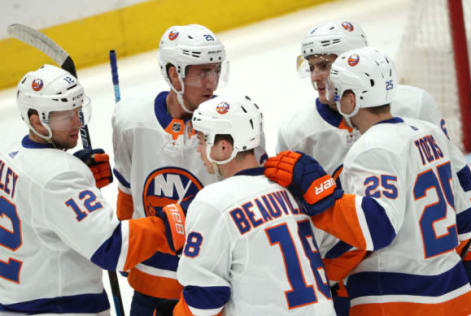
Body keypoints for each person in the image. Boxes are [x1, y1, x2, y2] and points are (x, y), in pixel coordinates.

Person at [277, 20, 471, 313]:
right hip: (438, 278)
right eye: (312, 67)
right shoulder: (297, 129)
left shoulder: (407, 112)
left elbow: (375, 225)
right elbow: (461, 199)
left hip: (387, 289)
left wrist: (319, 195)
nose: (318, 77)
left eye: (327, 66)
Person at [0, 64, 186, 314]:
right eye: (66, 116)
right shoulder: (59, 176)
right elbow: (111, 248)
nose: (78, 121)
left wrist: (76, 174)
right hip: (58, 308)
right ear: (37, 121)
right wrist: (167, 223)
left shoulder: (10, 156)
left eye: (78, 111)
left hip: (18, 301)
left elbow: (38, 197)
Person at [111, 24, 267, 315]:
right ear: (174, 74)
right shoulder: (131, 120)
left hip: (210, 285)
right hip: (149, 283)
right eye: (201, 72)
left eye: (215, 71)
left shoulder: (234, 121)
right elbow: (127, 193)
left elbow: (252, 198)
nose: (212, 82)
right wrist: (126, 248)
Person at [172, 95, 338, 315]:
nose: (198, 150)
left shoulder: (213, 201)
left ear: (223, 147)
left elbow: (205, 298)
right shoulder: (291, 189)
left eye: (202, 141)